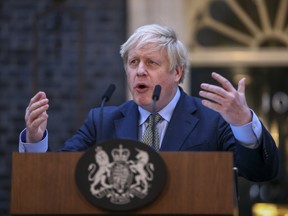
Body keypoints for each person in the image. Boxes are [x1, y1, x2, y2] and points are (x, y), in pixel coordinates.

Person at [19, 24, 279, 182]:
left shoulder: (212, 120)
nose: (139, 71)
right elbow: (57, 174)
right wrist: (35, 139)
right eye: (133, 62)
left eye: (151, 63)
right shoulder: (102, 120)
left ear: (177, 72)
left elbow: (261, 172)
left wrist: (244, 123)